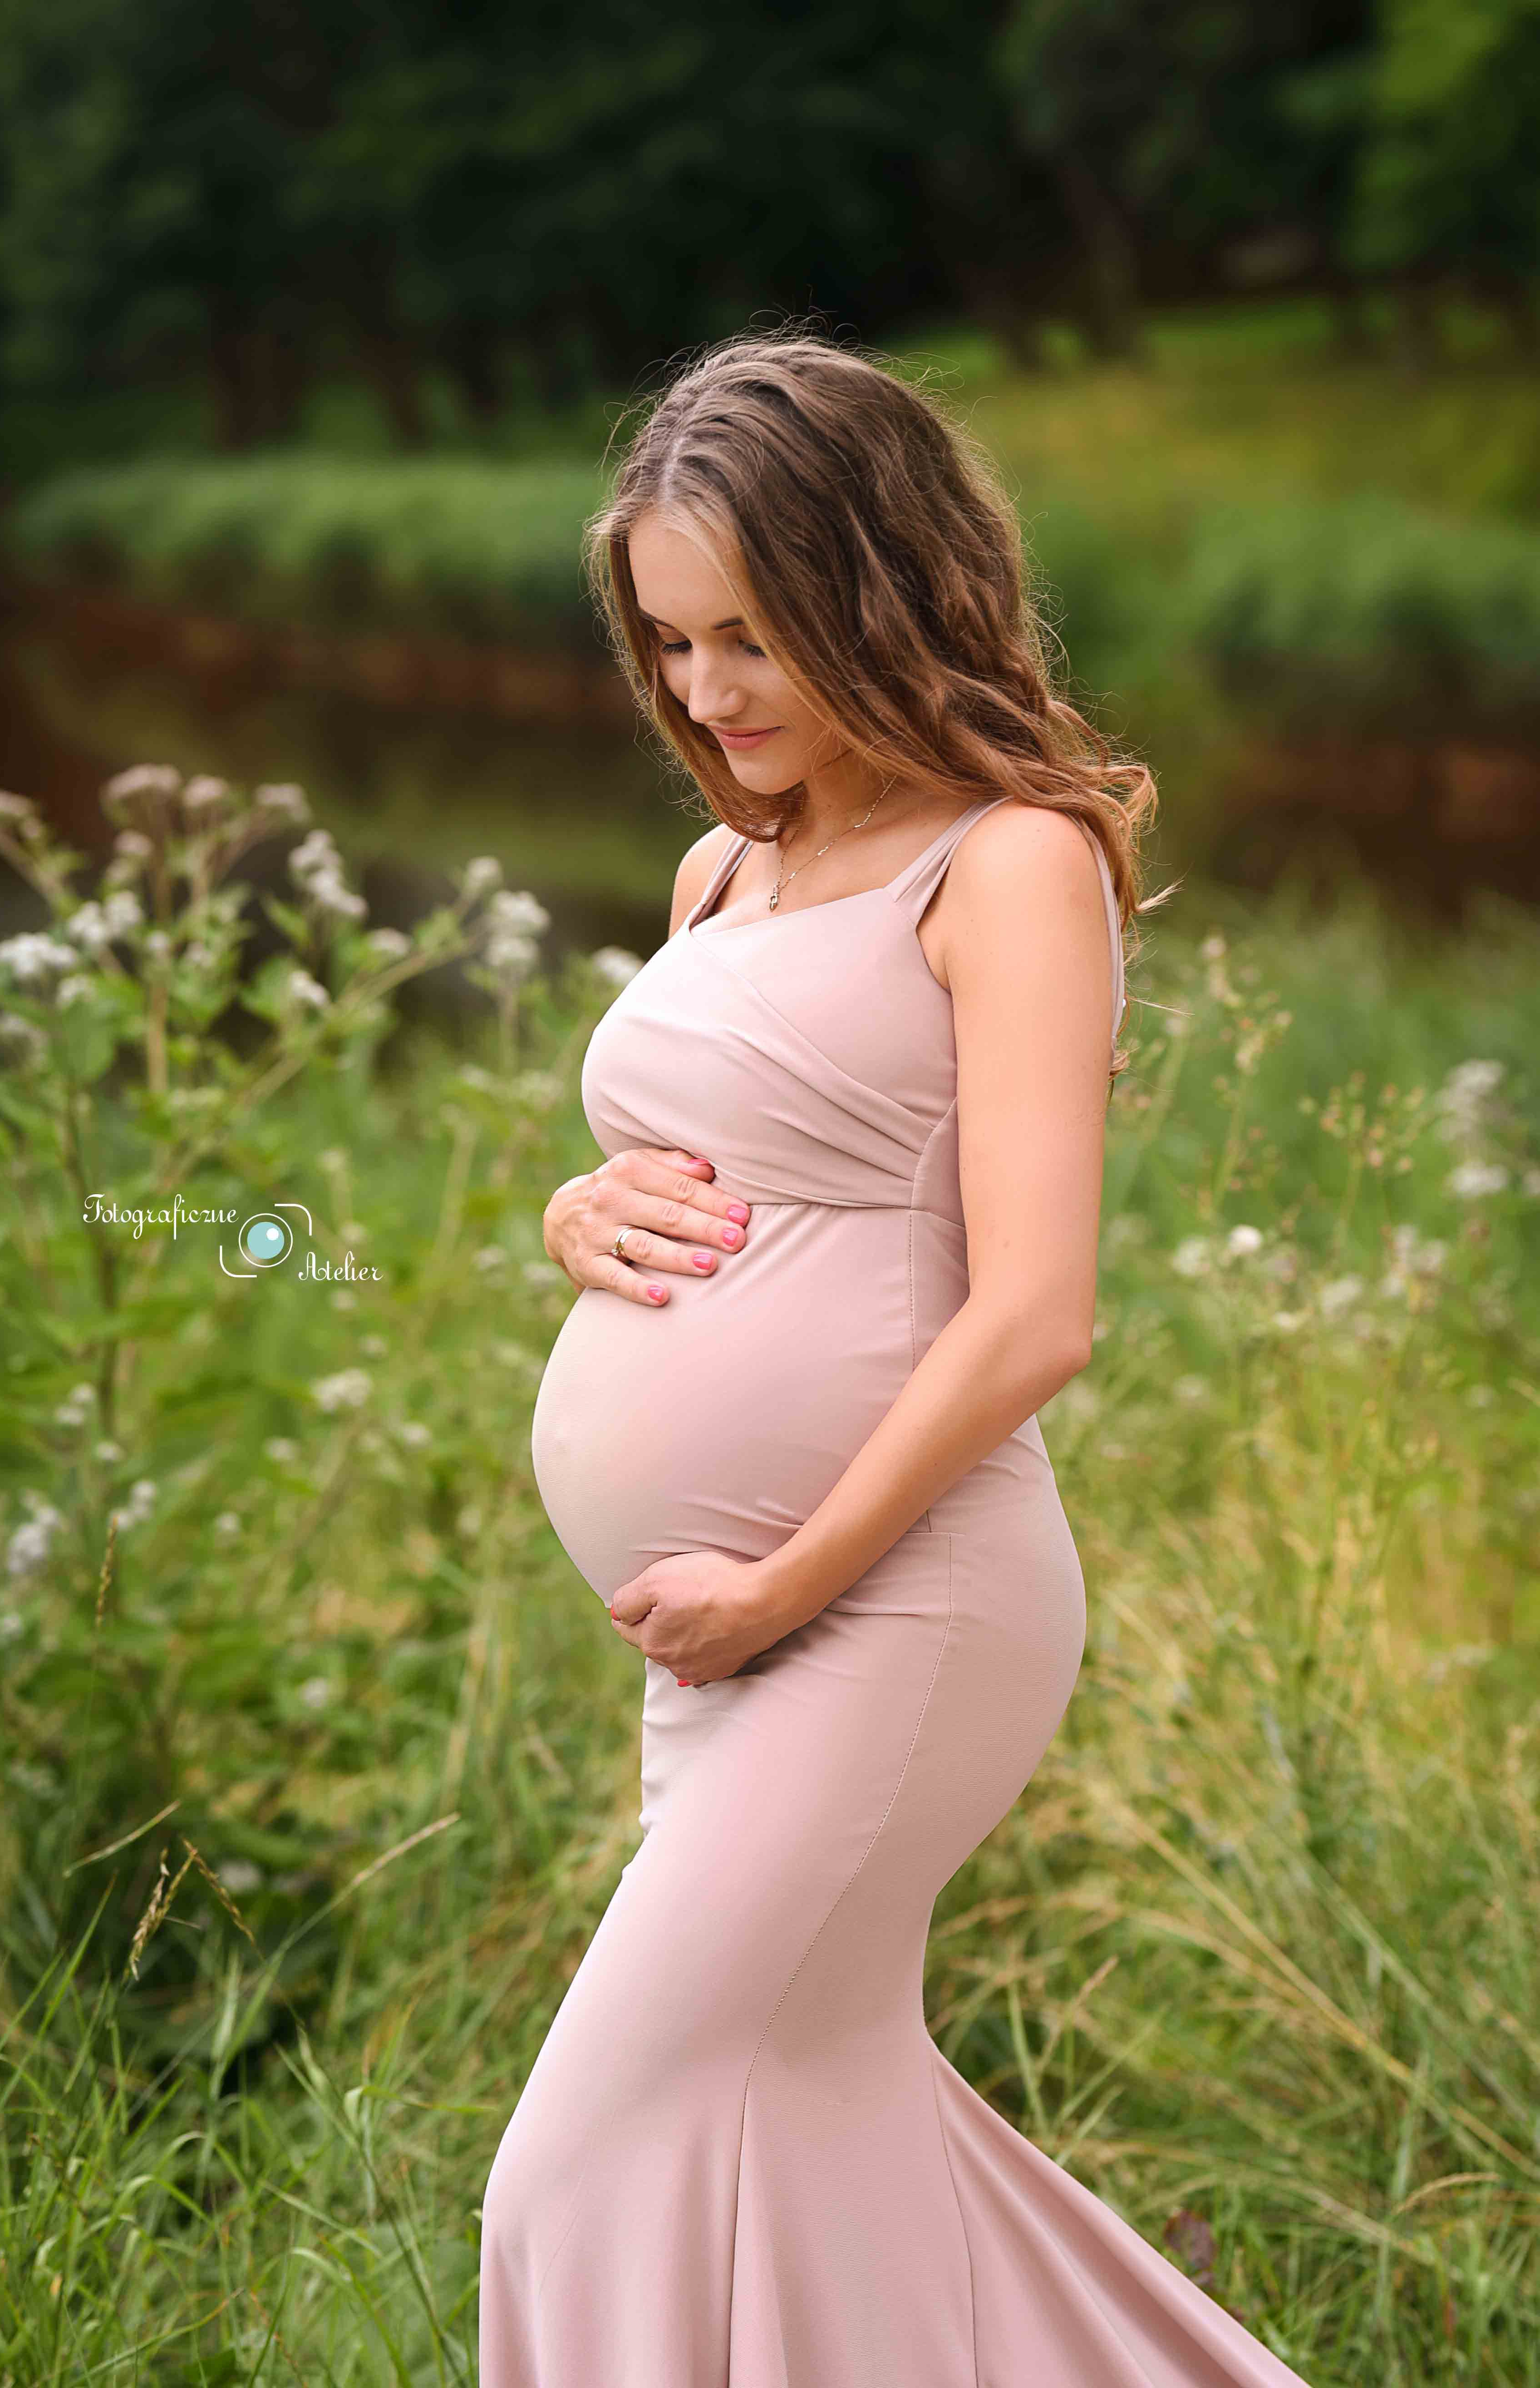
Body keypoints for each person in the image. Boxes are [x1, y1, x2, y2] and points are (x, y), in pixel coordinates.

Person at [478, 329, 1313, 2386]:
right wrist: (573, 1216)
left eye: (751, 636)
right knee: (826, 2136)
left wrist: (783, 1577)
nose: (706, 695)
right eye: (671, 644)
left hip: (890, 1603)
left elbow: (1034, 1308)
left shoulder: (1006, 862)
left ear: (880, 585)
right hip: (739, 1635)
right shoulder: (724, 865)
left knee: (570, 2169)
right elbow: (707, 1160)